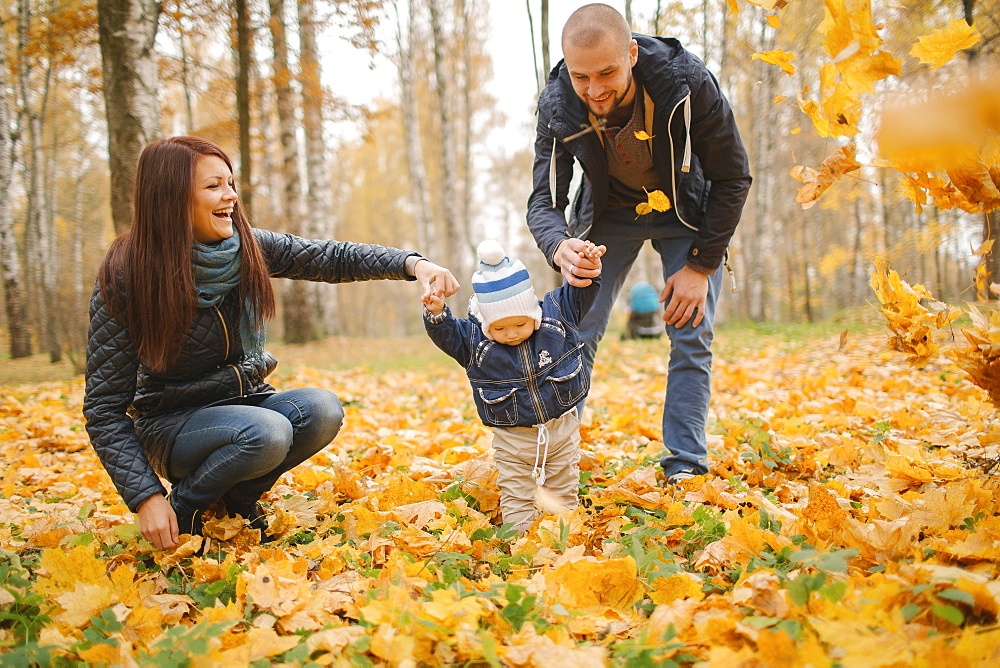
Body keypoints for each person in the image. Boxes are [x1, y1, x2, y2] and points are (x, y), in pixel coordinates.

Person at [83, 136, 460, 550]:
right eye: (213, 186)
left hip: (245, 403)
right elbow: (103, 409)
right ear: (171, 198)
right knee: (267, 432)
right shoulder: (128, 274)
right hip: (172, 426)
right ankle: (185, 508)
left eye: (230, 183)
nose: (230, 196)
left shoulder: (245, 248)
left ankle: (238, 500)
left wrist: (414, 264)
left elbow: (331, 258)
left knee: (322, 409)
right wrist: (146, 498)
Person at [526, 4, 752, 483]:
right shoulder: (557, 105)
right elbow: (544, 200)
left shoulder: (688, 84)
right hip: (607, 216)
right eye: (581, 75)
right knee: (574, 333)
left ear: (631, 54)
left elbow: (734, 176)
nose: (594, 89)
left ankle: (685, 464)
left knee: (691, 333)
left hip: (684, 210)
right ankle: (557, 463)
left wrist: (701, 266)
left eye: (607, 72)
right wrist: (559, 246)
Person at [422, 240, 604, 532]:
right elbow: (448, 334)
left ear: (532, 312)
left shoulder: (558, 318)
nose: (511, 334)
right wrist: (437, 313)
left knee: (564, 489)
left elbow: (581, 291)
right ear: (486, 325)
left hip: (561, 429)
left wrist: (587, 266)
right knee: (516, 495)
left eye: (520, 324)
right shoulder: (474, 344)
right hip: (512, 439)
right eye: (499, 328)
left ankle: (565, 539)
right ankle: (520, 544)